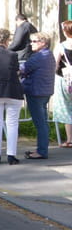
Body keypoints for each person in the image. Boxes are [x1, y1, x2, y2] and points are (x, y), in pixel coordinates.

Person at [0, 28, 24, 165]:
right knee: (12, 124)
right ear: (7, 40)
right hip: (12, 91)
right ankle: (11, 155)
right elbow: (16, 71)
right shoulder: (12, 55)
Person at [20, 32, 55, 160]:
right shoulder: (48, 54)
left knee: (40, 123)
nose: (31, 44)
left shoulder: (39, 57)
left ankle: (41, 151)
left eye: (34, 41)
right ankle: (42, 148)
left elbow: (23, 68)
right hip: (45, 92)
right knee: (43, 122)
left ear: (43, 43)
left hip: (36, 92)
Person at [52, 20, 72, 149]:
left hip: (65, 79)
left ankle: (70, 139)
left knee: (66, 107)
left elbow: (55, 64)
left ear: (65, 31)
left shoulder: (62, 46)